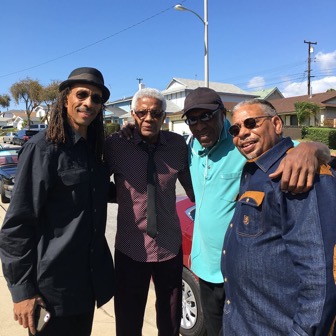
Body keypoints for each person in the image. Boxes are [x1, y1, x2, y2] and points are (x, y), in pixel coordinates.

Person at [182, 87, 331, 336]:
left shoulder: (242, 142)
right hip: (204, 267)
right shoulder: (191, 147)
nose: (199, 125)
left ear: (222, 114)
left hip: (241, 279)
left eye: (206, 116)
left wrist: (311, 149)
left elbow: (303, 150)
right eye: (192, 120)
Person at [0, 67, 115, 336]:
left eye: (96, 98)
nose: (89, 102)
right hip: (51, 290)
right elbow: (17, 225)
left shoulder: (96, 151)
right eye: (82, 94)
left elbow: (101, 193)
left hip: (86, 287)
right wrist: (22, 291)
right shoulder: (43, 148)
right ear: (65, 99)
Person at [221, 99, 336, 335]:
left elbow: (320, 275)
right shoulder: (255, 169)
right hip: (243, 323)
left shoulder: (299, 171)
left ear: (276, 123)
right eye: (235, 129)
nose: (242, 133)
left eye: (251, 123)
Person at [104, 88, 194, 336]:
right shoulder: (116, 145)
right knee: (128, 321)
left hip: (169, 248)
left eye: (155, 113)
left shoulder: (177, 145)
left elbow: (193, 189)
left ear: (164, 116)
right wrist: (121, 195)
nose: (148, 118)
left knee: (170, 320)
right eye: (142, 112)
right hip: (131, 249)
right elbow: (98, 184)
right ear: (133, 114)